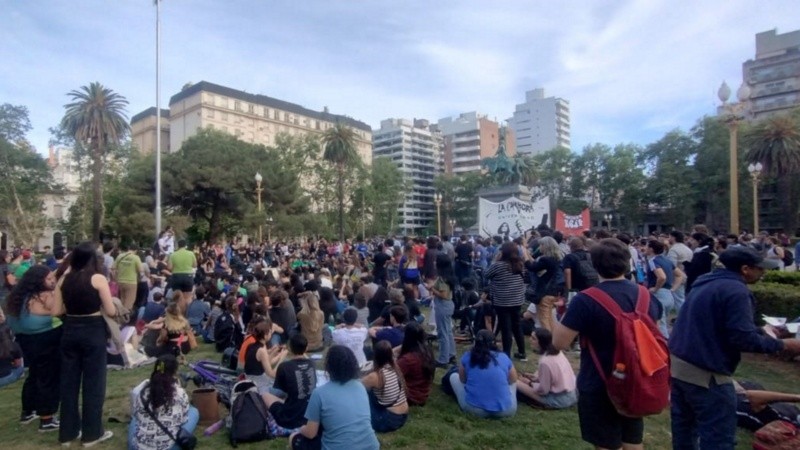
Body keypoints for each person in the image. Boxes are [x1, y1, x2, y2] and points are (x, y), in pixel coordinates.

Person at [669, 246, 800, 449]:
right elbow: (743, 340)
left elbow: (720, 325)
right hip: (706, 375)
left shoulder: (707, 281)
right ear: (746, 269)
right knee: (718, 438)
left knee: (685, 432)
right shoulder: (736, 290)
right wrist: (784, 345)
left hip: (680, 368)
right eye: (760, 268)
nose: (763, 272)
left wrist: (759, 331)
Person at [553, 238, 663, 450]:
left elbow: (559, 342)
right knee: (633, 440)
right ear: (627, 261)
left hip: (598, 379)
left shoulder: (586, 300)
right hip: (636, 376)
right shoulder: (645, 296)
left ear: (594, 265)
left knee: (606, 444)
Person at [53, 241, 116, 446]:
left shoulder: (63, 279)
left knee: (69, 383)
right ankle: (92, 433)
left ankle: (68, 433)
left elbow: (56, 311)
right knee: (94, 383)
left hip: (70, 329)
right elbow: (112, 310)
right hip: (92, 329)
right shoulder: (97, 278)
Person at [4, 265, 63, 431]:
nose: (53, 282)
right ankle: (47, 418)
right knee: (48, 377)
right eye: (49, 279)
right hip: (45, 339)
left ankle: (28, 411)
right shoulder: (44, 296)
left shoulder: (17, 296)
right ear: (39, 280)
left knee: (34, 374)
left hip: (25, 340)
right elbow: (58, 310)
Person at [289, 345, 380, 450]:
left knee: (294, 438)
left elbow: (310, 433)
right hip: (371, 446)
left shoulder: (319, 393)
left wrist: (301, 429)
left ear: (329, 367)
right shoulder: (360, 386)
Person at [128, 354, 199, 450]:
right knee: (193, 412)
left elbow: (137, 415)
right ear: (175, 371)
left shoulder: (142, 391)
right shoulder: (179, 393)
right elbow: (183, 420)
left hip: (139, 447)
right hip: (167, 447)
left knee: (134, 420)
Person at [448, 329, 518, 418]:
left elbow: (462, 380)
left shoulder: (468, 356)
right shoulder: (503, 357)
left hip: (474, 409)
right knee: (514, 383)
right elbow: (513, 379)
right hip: (506, 411)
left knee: (454, 376)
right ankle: (502, 397)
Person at [261, 333, 317, 429]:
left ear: (290, 349)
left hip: (290, 418)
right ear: (306, 348)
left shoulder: (285, 366)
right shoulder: (312, 364)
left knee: (264, 394)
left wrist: (281, 358)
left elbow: (280, 388)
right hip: (309, 416)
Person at [485, 242, 527, 360]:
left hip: (502, 301)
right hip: (517, 300)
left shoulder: (498, 265)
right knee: (517, 326)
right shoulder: (520, 264)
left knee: (506, 328)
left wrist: (494, 261)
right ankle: (522, 352)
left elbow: (486, 275)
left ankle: (507, 353)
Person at [516, 328, 577, 409]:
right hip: (572, 395)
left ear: (541, 342)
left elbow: (543, 391)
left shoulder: (545, 362)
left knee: (516, 382)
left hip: (560, 400)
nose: (530, 340)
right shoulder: (558, 352)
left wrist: (529, 383)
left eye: (533, 338)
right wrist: (536, 378)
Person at [361, 340, 409, 432]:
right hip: (403, 416)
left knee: (365, 393)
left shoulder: (376, 376)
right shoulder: (396, 368)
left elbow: (357, 385)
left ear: (375, 356)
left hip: (389, 420)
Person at [525, 236, 563, 332]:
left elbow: (531, 267)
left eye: (541, 245)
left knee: (544, 320)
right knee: (550, 318)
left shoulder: (545, 260)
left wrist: (525, 255)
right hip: (554, 291)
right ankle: (554, 340)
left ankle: (548, 342)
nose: (539, 247)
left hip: (544, 292)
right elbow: (535, 265)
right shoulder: (557, 259)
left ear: (545, 246)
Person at [244, 320, 288, 394]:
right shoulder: (261, 350)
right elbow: (272, 374)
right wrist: (281, 359)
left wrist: (274, 351)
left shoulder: (252, 345)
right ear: (265, 335)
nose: (271, 333)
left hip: (252, 378)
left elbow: (266, 362)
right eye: (270, 332)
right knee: (287, 388)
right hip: (257, 384)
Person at [396, 322, 435, 406]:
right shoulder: (427, 352)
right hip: (423, 393)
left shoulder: (407, 359)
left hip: (410, 396)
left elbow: (392, 375)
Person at [426, 269, 456, 368]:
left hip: (443, 306)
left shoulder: (443, 279)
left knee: (443, 333)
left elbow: (443, 295)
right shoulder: (448, 276)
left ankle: (443, 359)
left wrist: (432, 289)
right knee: (448, 331)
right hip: (448, 305)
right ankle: (451, 354)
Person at [112, 243, 144, 311]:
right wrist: (139, 279)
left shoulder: (120, 256)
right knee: (129, 302)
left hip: (120, 281)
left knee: (122, 300)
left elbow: (113, 269)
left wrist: (115, 279)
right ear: (136, 250)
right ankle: (125, 318)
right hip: (131, 282)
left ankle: (120, 316)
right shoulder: (136, 257)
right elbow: (141, 272)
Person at [167, 239, 196, 308]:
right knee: (188, 297)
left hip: (176, 276)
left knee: (177, 297)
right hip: (188, 276)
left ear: (178, 246)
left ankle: (177, 312)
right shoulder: (191, 253)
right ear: (185, 246)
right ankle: (187, 313)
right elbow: (195, 265)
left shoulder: (173, 255)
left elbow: (169, 267)